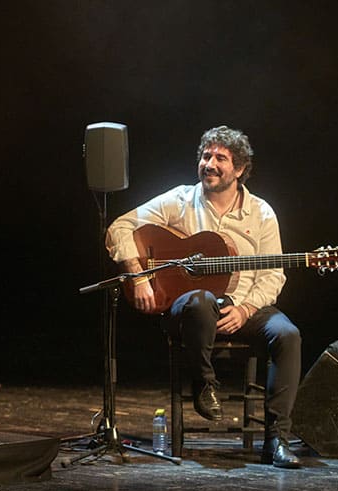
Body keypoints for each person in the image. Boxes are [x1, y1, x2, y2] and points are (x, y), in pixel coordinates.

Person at [105, 126, 302, 468]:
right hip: (191, 311)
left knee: (288, 335)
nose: (209, 164)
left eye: (220, 158)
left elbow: (274, 274)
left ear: (239, 169)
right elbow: (119, 227)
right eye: (206, 156)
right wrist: (137, 277)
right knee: (199, 300)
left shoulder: (262, 213)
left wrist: (246, 308)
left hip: (245, 306)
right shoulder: (180, 200)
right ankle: (204, 384)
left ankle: (277, 441)